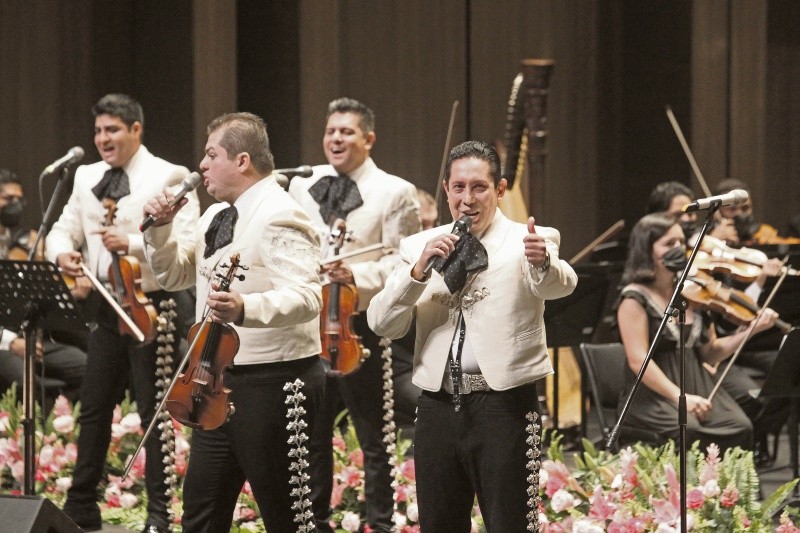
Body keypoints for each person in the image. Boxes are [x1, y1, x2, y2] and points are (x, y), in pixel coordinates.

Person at [368, 140, 577, 531]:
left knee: (510, 523)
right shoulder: (418, 246)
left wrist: (543, 262)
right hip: (437, 407)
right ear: (446, 189)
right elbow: (382, 323)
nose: (468, 198)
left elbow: (560, 283)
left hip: (505, 406)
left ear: (499, 190)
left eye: (479, 187)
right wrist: (418, 272)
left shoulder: (529, 240)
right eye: (459, 187)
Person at [142, 112, 326, 532]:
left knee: (287, 515)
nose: (201, 165)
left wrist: (245, 307)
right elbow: (175, 276)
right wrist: (160, 232)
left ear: (242, 161)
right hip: (215, 383)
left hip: (274, 384)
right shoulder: (214, 217)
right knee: (201, 512)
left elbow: (308, 297)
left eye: (211, 155)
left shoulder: (281, 214)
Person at [46, 93, 200, 533]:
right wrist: (63, 256)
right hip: (106, 305)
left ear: (136, 130)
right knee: (94, 407)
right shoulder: (85, 176)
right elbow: (63, 230)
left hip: (157, 307)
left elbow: (188, 245)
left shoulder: (166, 174)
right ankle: (80, 508)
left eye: (112, 129)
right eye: (98, 131)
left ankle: (158, 517)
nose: (102, 139)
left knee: (154, 413)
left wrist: (131, 244)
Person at [289, 97, 420, 532]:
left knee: (375, 436)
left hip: (359, 326)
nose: (336, 139)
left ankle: (381, 524)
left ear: (369, 139)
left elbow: (405, 264)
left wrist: (355, 275)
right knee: (311, 435)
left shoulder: (394, 191)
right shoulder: (302, 185)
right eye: (331, 132)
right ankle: (316, 523)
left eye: (346, 132)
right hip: (310, 325)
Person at [613, 212, 779, 451]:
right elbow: (638, 360)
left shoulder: (693, 292)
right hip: (653, 396)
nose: (679, 248)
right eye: (669, 243)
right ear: (646, 250)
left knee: (741, 426)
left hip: (698, 385)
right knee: (690, 429)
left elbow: (711, 352)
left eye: (681, 242)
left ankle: (721, 489)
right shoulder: (634, 298)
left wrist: (751, 331)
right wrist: (681, 398)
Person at [0, 169, 86, 410]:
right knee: (27, 381)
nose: (15, 205)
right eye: (8, 199)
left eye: (19, 199)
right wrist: (10, 342)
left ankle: (63, 431)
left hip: (29, 336)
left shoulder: (21, 241)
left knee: (87, 368)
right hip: (4, 342)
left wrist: (71, 294)